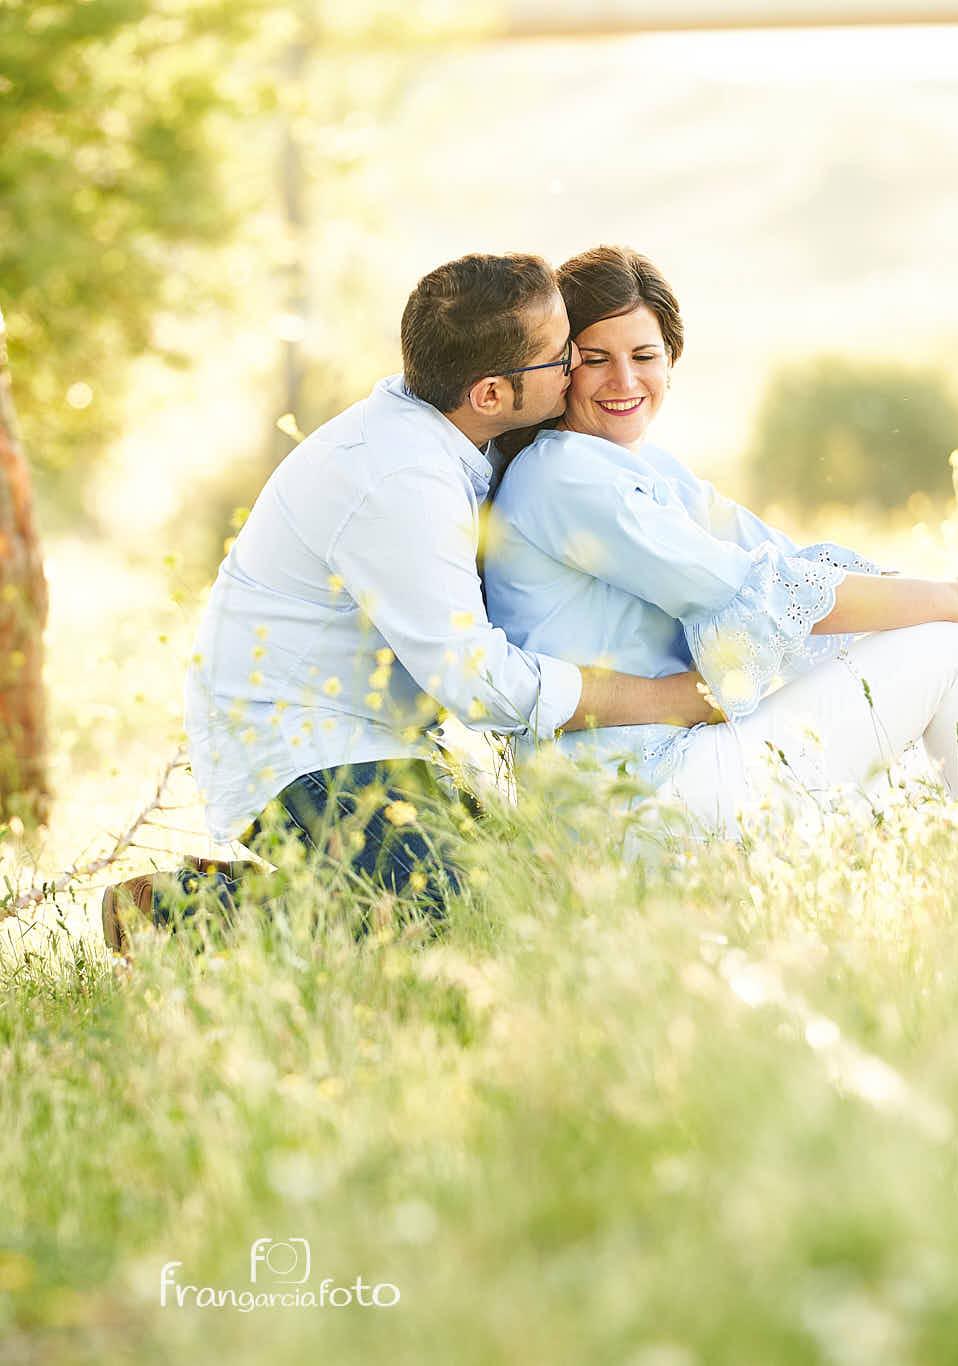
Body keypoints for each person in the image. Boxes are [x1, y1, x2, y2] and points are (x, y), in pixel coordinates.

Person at [104, 252, 720, 952]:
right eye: (563, 358)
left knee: (544, 892)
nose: (578, 370)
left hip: (388, 739)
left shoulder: (460, 430)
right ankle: (189, 908)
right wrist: (672, 698)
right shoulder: (403, 481)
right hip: (302, 746)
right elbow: (480, 684)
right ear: (490, 392)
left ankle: (314, 887)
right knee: (461, 916)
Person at [483, 245, 958, 841]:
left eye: (644, 355)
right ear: (559, 367)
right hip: (632, 798)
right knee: (942, 650)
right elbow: (756, 592)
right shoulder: (565, 475)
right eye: (595, 360)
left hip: (684, 765)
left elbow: (787, 566)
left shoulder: (644, 468)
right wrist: (956, 601)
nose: (624, 380)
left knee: (939, 643)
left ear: (671, 362)